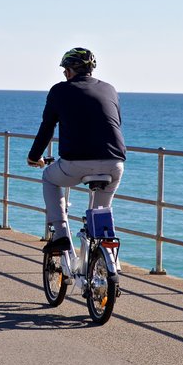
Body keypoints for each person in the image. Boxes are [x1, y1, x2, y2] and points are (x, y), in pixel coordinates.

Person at [26, 47, 126, 255]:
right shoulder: (110, 89)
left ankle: (61, 235)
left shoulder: (59, 90)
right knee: (100, 212)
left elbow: (47, 128)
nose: (64, 73)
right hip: (114, 163)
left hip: (76, 164)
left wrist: (34, 157)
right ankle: (107, 261)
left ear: (71, 70)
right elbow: (116, 122)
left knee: (49, 178)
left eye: (65, 69)